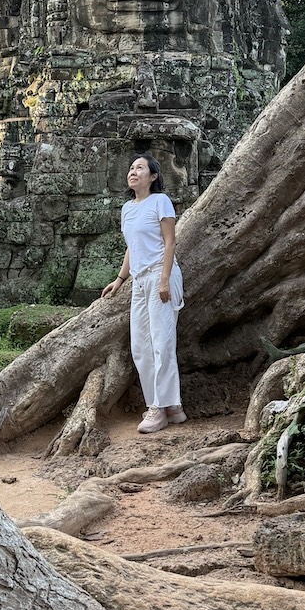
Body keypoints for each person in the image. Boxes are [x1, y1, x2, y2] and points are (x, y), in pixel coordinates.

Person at [102, 153, 186, 433]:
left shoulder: (160, 202)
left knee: (162, 342)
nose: (133, 171)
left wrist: (164, 280)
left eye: (140, 168)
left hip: (160, 277)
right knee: (140, 346)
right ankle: (170, 406)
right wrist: (119, 279)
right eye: (131, 167)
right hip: (138, 281)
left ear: (153, 177)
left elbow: (170, 241)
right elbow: (132, 247)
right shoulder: (127, 208)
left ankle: (158, 408)